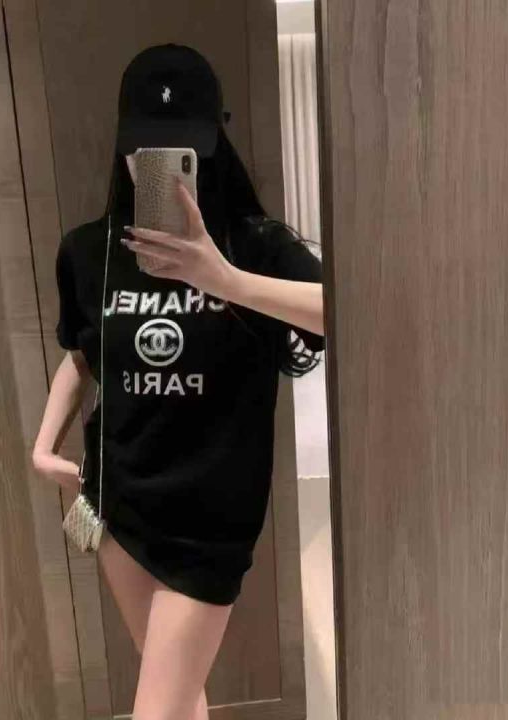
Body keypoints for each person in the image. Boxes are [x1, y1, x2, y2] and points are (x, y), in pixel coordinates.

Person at [32, 44, 324, 720]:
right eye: (146, 147)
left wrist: (223, 279)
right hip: (115, 507)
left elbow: (346, 314)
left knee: (158, 709)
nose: (159, 163)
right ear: (123, 146)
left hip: (209, 525)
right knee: (178, 695)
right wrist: (44, 446)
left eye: (180, 148)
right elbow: (82, 355)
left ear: (211, 144)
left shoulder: (253, 246)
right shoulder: (89, 251)